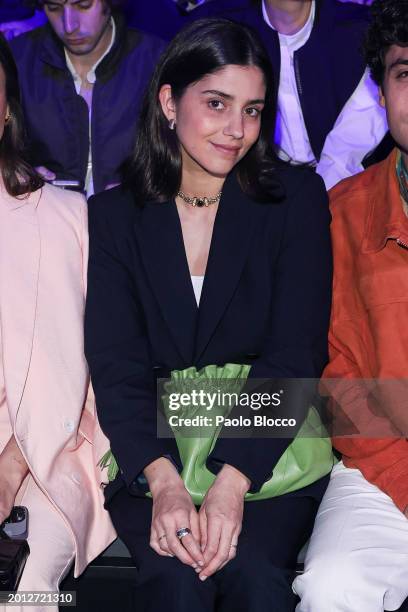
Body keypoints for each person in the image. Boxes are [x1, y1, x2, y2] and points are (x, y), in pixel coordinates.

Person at [85, 17, 333, 612]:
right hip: (151, 445)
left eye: (253, 110)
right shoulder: (115, 217)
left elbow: (295, 352)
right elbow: (117, 364)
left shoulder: (293, 200)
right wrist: (164, 481)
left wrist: (231, 483)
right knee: (174, 584)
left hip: (266, 447)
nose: (237, 129)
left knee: (255, 578)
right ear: (169, 101)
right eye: (217, 103)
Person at [292, 1, 408, 610]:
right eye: (406, 73)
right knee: (332, 587)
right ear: (383, 92)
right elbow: (336, 376)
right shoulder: (343, 210)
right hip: (382, 470)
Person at [0, 35, 115, 612]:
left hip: (46, 452)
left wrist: (10, 465)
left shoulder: (64, 218)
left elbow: (71, 374)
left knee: (23, 592)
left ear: (6, 109)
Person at [188, 0, 388, 190]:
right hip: (251, 179)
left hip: (345, 184)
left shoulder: (360, 30)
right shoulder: (219, 25)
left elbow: (346, 151)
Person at [8, 0, 165, 197]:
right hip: (42, 217)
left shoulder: (156, 61)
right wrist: (12, 171)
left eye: (83, 5)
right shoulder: (15, 62)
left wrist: (147, 185)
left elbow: (184, 158)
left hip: (135, 222)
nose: (69, 25)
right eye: (54, 8)